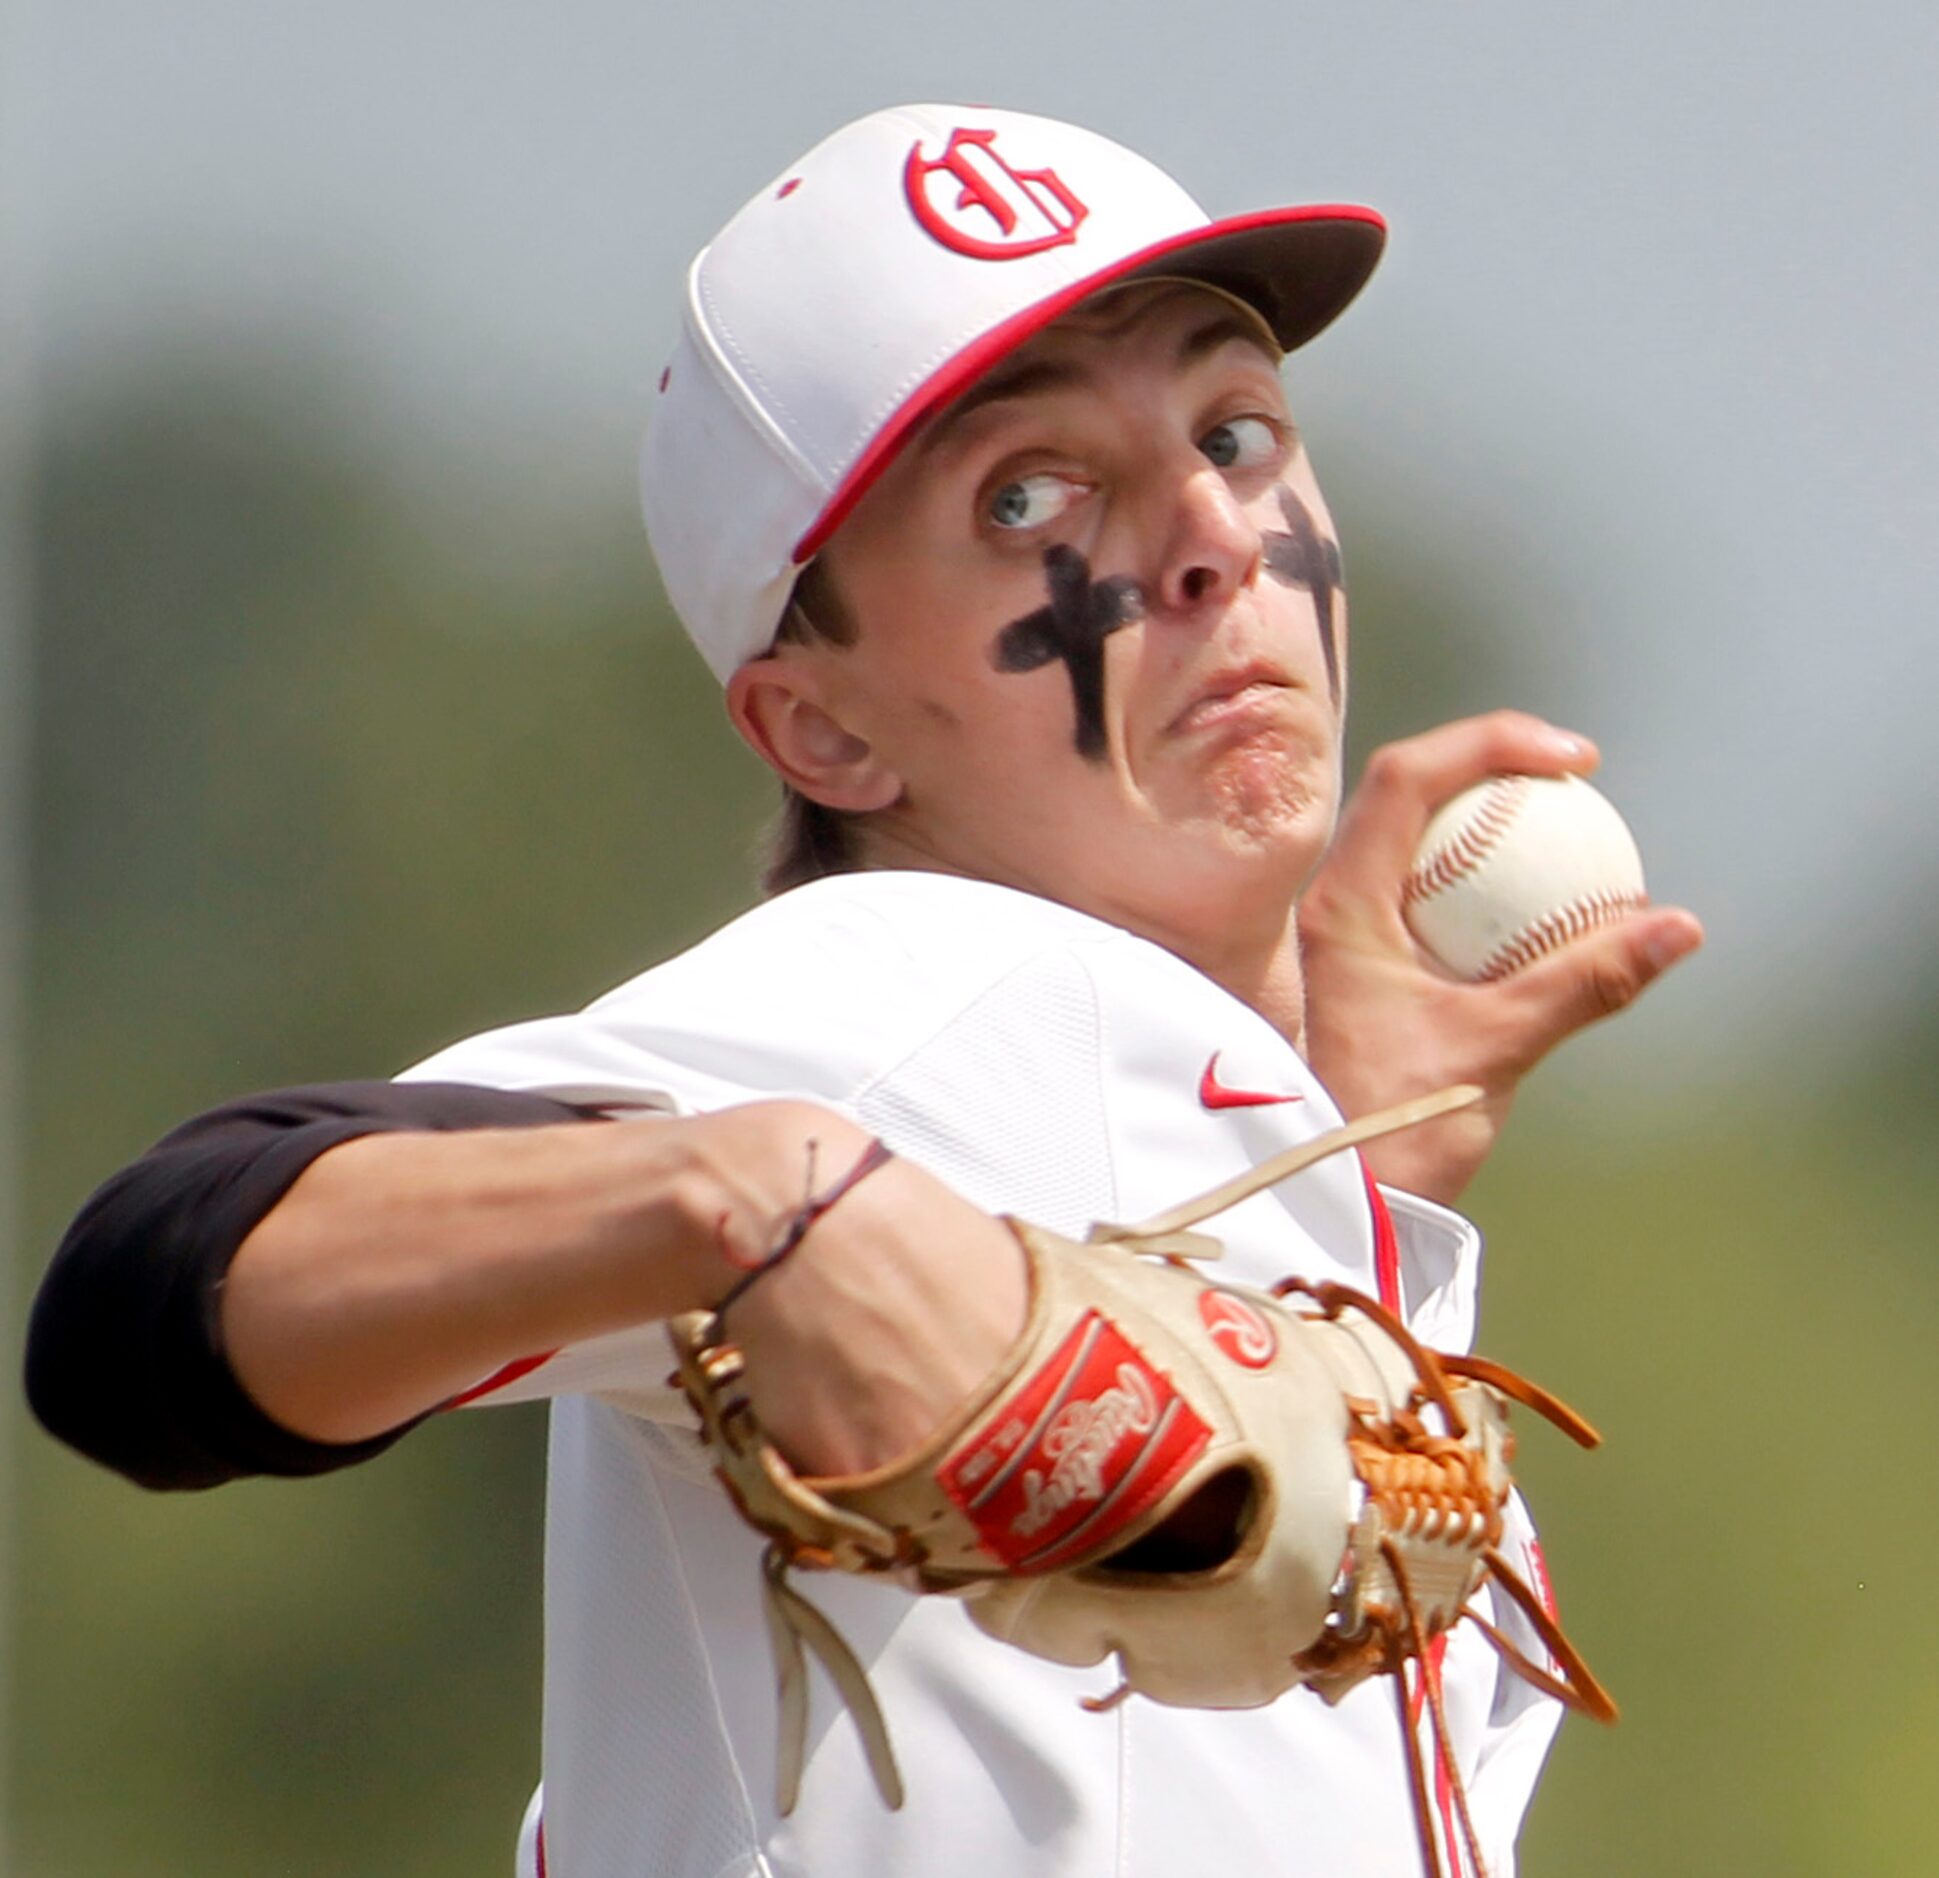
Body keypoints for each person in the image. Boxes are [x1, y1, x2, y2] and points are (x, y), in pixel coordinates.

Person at [26, 103, 1703, 1876]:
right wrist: (743, 1202)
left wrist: (1330, 1165)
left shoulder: (1175, 1111)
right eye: (1030, 495)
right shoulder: (895, 999)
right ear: (819, 722)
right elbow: (154, 1285)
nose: (1212, 532)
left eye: (1235, 427)